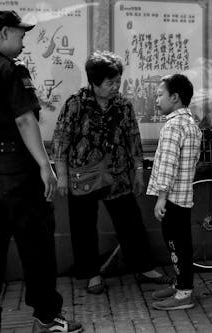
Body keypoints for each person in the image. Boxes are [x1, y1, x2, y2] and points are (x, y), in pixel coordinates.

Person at [0, 11, 82, 333]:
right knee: (35, 244)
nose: (24, 42)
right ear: (5, 33)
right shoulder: (10, 70)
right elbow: (24, 120)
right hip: (15, 170)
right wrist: (44, 165)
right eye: (21, 35)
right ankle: (46, 317)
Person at [52, 51, 171, 295]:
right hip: (82, 176)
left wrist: (138, 172)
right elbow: (61, 141)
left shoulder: (123, 105)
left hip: (117, 175)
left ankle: (144, 267)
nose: (116, 86)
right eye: (110, 82)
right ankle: (91, 274)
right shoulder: (75, 104)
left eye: (118, 81)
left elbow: (133, 139)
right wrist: (61, 175)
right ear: (94, 82)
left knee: (130, 221)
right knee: (83, 226)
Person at [147, 74, 202, 311]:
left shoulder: (173, 126)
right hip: (184, 196)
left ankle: (183, 294)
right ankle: (181, 284)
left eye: (160, 94)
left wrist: (161, 198)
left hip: (171, 199)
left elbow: (168, 165)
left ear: (175, 97)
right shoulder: (191, 124)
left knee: (175, 244)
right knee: (182, 244)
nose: (156, 99)